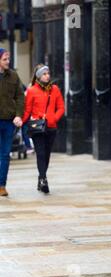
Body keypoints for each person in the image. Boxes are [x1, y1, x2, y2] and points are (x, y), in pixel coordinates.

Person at [23, 64, 65, 194]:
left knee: (46, 155)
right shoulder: (32, 91)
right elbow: (27, 110)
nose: (47, 76)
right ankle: (43, 180)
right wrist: (20, 121)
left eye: (48, 73)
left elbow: (61, 108)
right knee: (40, 153)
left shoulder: (55, 89)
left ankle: (41, 177)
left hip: (51, 127)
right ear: (39, 76)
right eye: (44, 74)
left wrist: (53, 118)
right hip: (37, 127)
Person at [0, 48, 25, 197]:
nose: (8, 61)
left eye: (8, 59)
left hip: (9, 122)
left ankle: (2, 185)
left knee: (5, 154)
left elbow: (20, 97)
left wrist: (19, 115)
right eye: (5, 59)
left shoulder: (14, 76)